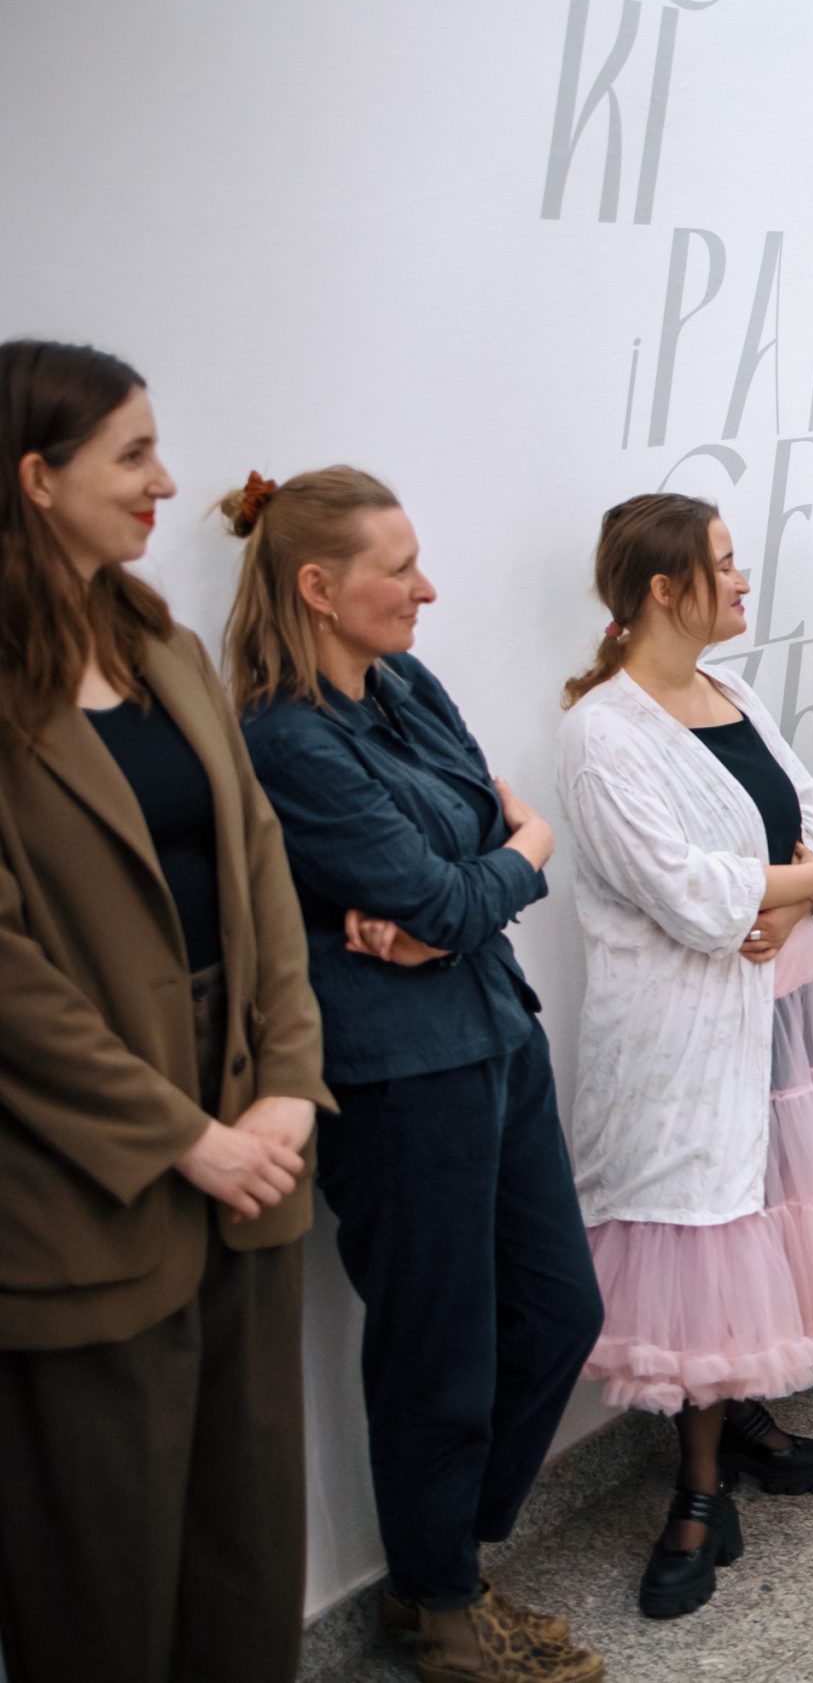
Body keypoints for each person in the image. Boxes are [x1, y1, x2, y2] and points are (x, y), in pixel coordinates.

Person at [229, 467, 605, 1683]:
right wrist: (493, 872)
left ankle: (440, 1561)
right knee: (436, 1347)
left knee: (559, 1312)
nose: (425, 590)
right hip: (396, 1075)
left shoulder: (403, 683)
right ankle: (443, 1604)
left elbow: (486, 844)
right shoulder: (285, 738)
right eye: (398, 570)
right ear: (317, 586)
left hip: (492, 1026)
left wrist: (492, 868)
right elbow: (457, 880)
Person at [555, 492, 813, 1616]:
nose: (741, 581)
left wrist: (792, 889)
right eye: (723, 565)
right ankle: (694, 1491)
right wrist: (798, 886)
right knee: (709, 1227)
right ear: (662, 589)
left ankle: (744, 1419)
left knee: (773, 1204)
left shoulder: (733, 693)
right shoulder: (602, 733)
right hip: (685, 1032)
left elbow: (812, 812)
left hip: (781, 1004)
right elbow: (684, 890)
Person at [0, 341, 325, 1683]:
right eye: (131, 454)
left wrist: (287, 1084)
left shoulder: (166, 647)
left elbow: (260, 866)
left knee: (248, 1538)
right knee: (102, 1566)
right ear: (35, 476)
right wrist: (185, 1137)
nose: (166, 481)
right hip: (87, 1172)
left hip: (253, 1144)